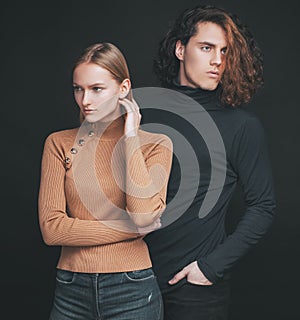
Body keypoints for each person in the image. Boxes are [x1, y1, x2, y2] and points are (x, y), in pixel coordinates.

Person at [144, 4, 276, 320]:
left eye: (224, 51)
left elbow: (263, 206)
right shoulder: (143, 114)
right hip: (132, 282)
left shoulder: (241, 126)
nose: (218, 60)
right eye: (206, 48)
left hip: (195, 291)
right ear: (180, 48)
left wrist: (210, 267)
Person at [38, 42, 173, 320]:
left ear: (123, 88)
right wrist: (133, 230)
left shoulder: (156, 144)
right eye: (79, 88)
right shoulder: (59, 143)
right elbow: (52, 229)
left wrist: (131, 137)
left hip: (132, 288)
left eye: (96, 89)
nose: (85, 100)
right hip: (70, 287)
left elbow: (142, 212)